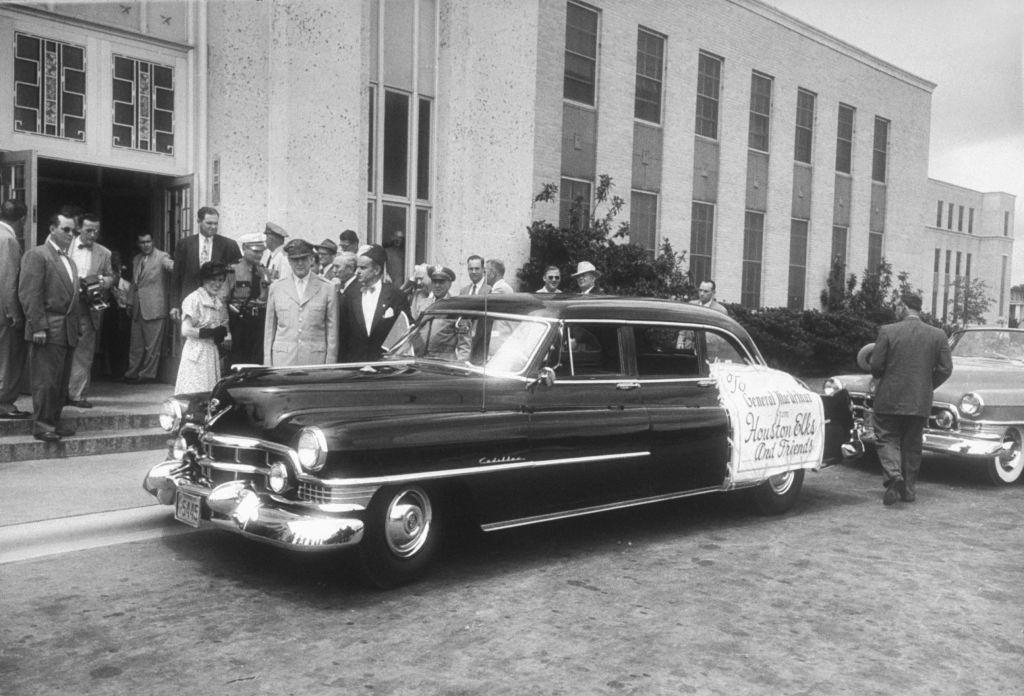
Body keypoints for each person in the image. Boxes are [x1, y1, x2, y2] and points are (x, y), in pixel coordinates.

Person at [870, 291, 953, 505]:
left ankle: (894, 476)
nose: (895, 310)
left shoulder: (887, 331)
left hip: (889, 398)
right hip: (919, 401)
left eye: (897, 306)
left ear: (905, 306)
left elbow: (876, 366)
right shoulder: (938, 335)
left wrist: (884, 377)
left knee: (886, 438)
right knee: (912, 445)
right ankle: (908, 490)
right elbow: (945, 369)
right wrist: (926, 385)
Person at [18, 210, 81, 442]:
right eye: (65, 229)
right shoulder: (38, 255)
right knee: (46, 381)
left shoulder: (70, 261)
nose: (70, 234)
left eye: (73, 231)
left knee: (61, 381)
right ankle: (42, 425)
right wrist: (37, 326)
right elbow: (29, 293)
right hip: (48, 327)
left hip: (67, 330)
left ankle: (53, 421)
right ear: (52, 229)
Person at [67, 212, 115, 409]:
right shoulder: (65, 246)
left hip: (89, 306)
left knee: (84, 353)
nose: (93, 235)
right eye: (89, 230)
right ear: (78, 228)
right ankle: (59, 393)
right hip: (65, 305)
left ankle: (76, 395)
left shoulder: (105, 252)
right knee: (61, 350)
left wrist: (103, 282)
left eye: (96, 231)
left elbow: (111, 277)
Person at [264, 239, 337, 367]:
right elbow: (270, 329)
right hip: (283, 360)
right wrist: (268, 363)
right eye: (294, 260)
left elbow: (332, 332)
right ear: (288, 261)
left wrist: (330, 365)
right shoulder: (276, 288)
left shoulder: (327, 288)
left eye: (303, 259)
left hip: (315, 360)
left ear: (311, 259)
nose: (299, 263)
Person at [337, 244, 410, 363]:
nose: (357, 272)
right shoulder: (350, 295)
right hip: (355, 365)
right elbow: (343, 334)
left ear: (376, 270)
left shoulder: (396, 296)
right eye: (357, 268)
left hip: (384, 366)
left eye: (363, 268)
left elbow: (405, 331)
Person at [170, 207, 241, 321]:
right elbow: (176, 276)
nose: (213, 227)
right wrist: (174, 305)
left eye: (216, 223)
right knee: (189, 335)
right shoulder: (184, 244)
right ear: (198, 221)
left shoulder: (229, 245)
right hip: (189, 302)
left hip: (218, 305)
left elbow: (237, 276)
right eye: (209, 223)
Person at [123, 231, 174, 383]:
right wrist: (130, 302)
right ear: (138, 244)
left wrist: (180, 266)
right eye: (142, 242)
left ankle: (147, 375)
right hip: (138, 307)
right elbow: (134, 282)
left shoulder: (162, 256)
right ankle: (131, 373)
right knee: (136, 345)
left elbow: (171, 266)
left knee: (152, 346)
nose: (146, 245)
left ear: (153, 242)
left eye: (148, 242)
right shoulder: (137, 259)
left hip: (155, 306)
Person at [175, 261, 231, 395]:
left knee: (209, 393)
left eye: (221, 280)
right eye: (213, 279)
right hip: (196, 352)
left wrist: (220, 334)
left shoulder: (216, 301)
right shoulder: (194, 299)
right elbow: (186, 330)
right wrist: (210, 332)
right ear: (204, 279)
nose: (217, 284)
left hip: (210, 351)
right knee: (195, 392)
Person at [0, 199, 29, 419]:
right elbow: (8, 279)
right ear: (22, 219)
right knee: (8, 357)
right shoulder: (8, 240)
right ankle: (4, 403)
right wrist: (14, 314)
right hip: (4, 313)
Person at [226, 233, 269, 367]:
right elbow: (222, 301)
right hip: (239, 322)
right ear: (244, 248)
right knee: (238, 361)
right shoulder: (233, 271)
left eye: (261, 251)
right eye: (255, 251)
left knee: (257, 361)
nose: (259, 255)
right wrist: (226, 330)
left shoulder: (264, 271)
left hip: (259, 323)